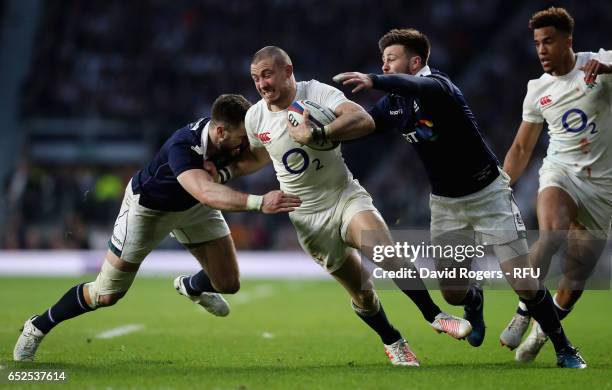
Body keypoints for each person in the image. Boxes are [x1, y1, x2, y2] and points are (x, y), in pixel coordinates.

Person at [333, 27, 586, 368]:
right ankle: (474, 297)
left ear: (416, 61)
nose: (386, 65)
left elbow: (415, 86)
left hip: (488, 196)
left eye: (391, 59)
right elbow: (362, 127)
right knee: (452, 292)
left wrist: (374, 79)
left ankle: (564, 348)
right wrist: (322, 131)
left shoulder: (439, 86)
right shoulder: (393, 104)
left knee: (523, 283)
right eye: (383, 61)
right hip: (447, 204)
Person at [217, 46, 471, 367]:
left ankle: (435, 315)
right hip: (307, 216)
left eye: (267, 74)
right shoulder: (255, 117)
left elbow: (362, 120)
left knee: (385, 252)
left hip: (343, 195)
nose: (262, 84)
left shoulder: (316, 92)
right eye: (256, 78)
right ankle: (392, 340)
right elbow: (257, 155)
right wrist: (225, 172)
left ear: (287, 70)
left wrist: (317, 132)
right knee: (362, 291)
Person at [13, 94, 301, 362]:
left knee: (228, 283)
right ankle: (38, 325)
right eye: (240, 139)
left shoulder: (234, 137)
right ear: (221, 132)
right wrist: (258, 202)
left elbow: (257, 156)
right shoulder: (184, 145)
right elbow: (205, 192)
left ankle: (191, 287)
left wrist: (226, 171)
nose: (243, 145)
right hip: (150, 210)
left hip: (194, 207)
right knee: (106, 294)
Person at [498, 6, 612, 362]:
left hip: (603, 187)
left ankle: (541, 334)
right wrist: (500, 188)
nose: (542, 49)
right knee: (551, 234)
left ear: (568, 42)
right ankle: (523, 309)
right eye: (537, 43)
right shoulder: (537, 90)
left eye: (549, 41)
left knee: (576, 278)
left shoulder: (601, 62)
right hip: (560, 173)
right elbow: (521, 147)